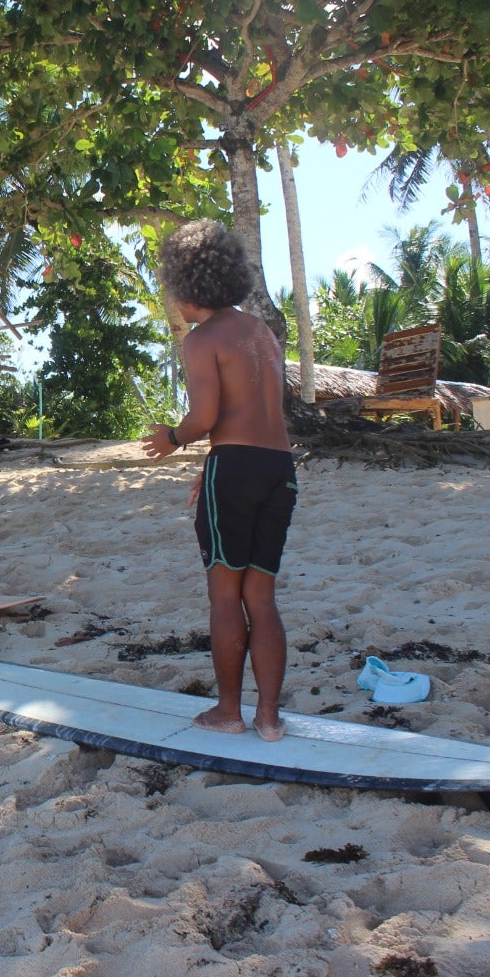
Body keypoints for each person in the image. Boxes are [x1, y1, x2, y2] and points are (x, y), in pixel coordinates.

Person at [141, 220, 297, 742]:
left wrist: (173, 439)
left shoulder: (201, 338)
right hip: (278, 469)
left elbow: (206, 415)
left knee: (225, 597)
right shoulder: (263, 334)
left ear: (186, 287)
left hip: (234, 472)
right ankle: (270, 717)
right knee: (262, 597)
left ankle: (228, 711)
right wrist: (214, 464)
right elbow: (258, 416)